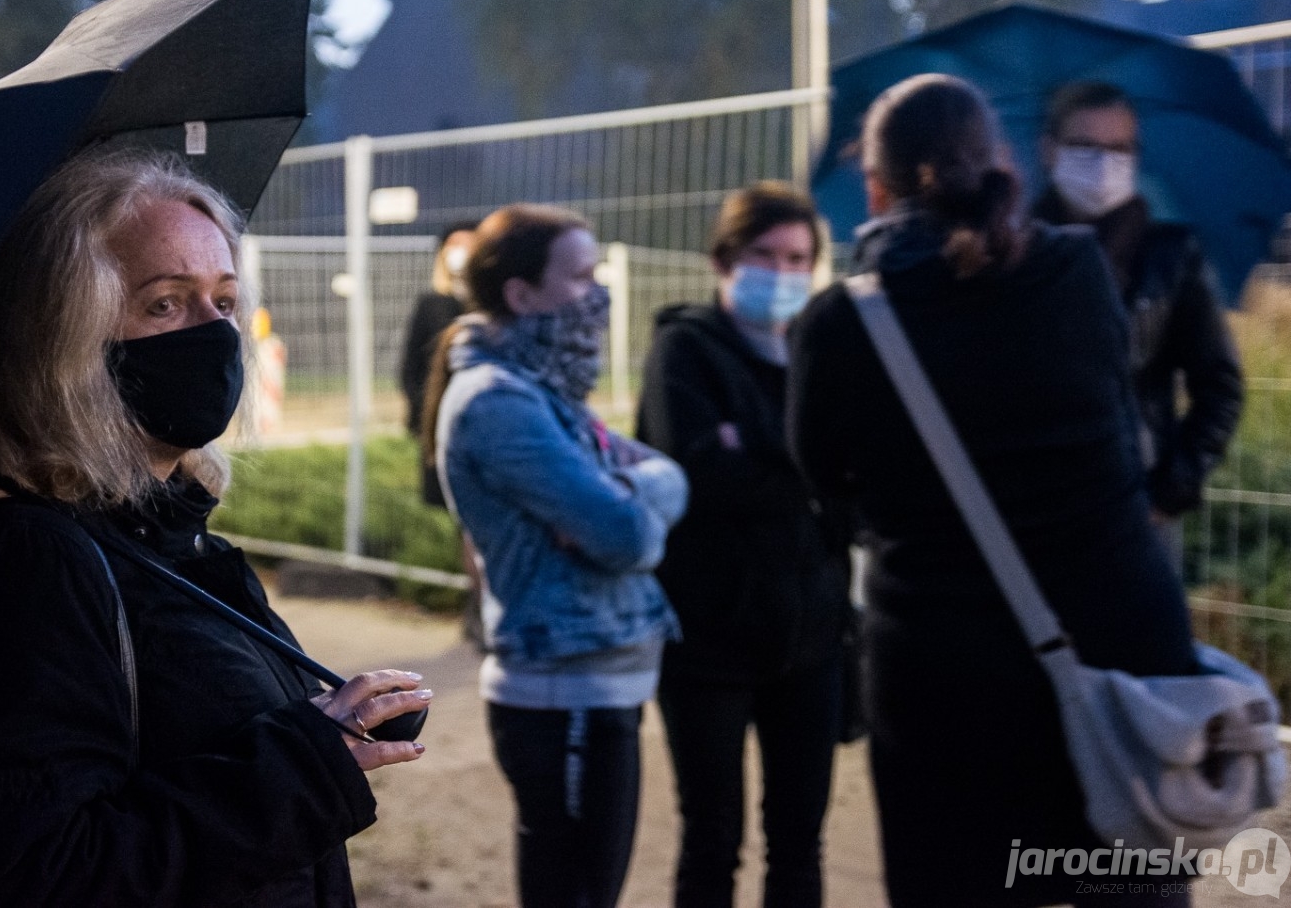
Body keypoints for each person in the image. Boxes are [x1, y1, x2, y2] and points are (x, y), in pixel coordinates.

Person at [0, 150, 431, 908]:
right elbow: (34, 877)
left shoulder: (173, 541)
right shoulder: (21, 564)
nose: (213, 335)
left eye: (223, 301)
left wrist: (326, 729)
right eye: (164, 304)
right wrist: (304, 765)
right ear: (67, 339)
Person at [788, 74, 1197, 908]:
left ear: (875, 185)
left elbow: (824, 480)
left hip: (944, 676)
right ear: (1003, 162)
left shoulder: (838, 325)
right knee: (1129, 880)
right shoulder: (1078, 269)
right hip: (1119, 644)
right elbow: (1121, 417)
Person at [422, 203, 687, 908]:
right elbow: (627, 537)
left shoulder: (543, 390)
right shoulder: (499, 403)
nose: (598, 292)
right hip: (561, 689)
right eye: (582, 275)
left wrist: (629, 494)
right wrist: (629, 509)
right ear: (521, 294)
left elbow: (669, 482)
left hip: (600, 682)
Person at [636, 182, 851, 908]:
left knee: (800, 841)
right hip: (707, 642)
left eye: (799, 258)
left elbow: (854, 482)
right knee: (712, 839)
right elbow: (699, 477)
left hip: (813, 641)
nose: (784, 273)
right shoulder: (683, 348)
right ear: (726, 258)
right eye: (766, 255)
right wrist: (806, 464)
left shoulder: (823, 353)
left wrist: (752, 443)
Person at [1034, 80, 1243, 570]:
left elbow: (1220, 388)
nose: (1103, 162)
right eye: (1085, 146)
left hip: (1136, 513)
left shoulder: (1169, 258)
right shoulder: (1018, 253)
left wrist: (1167, 496)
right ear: (1049, 151)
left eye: (1119, 148)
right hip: (1037, 513)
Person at [399, 219, 488, 647]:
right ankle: (479, 604)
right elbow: (410, 372)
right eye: (453, 245)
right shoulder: (433, 304)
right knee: (467, 522)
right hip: (445, 432)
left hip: (485, 427)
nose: (460, 253)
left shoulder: (489, 304)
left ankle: (485, 604)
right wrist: (427, 422)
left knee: (480, 522)